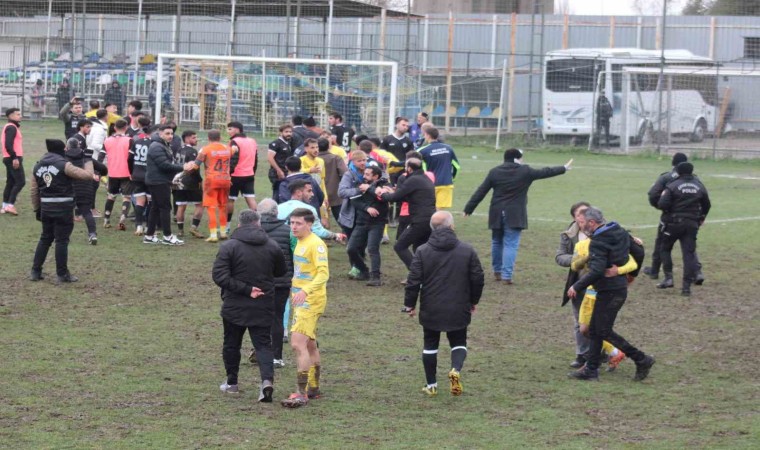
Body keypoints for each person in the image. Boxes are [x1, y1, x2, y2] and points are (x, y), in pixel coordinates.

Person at [567, 207, 655, 382]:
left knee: (602, 330)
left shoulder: (598, 241)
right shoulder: (620, 231)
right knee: (596, 330)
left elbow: (597, 270)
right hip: (615, 289)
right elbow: (639, 251)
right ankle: (591, 369)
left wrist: (576, 286)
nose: (582, 227)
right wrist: (630, 275)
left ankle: (641, 359)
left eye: (584, 223)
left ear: (592, 222)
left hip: (610, 291)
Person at [403, 211, 484, 396]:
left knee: (430, 344)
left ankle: (431, 385)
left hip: (431, 307)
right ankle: (455, 369)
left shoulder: (422, 251)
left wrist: (410, 304)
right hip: (459, 305)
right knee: (459, 341)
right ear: (452, 226)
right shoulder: (467, 250)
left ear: (431, 228)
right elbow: (478, 278)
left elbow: (413, 281)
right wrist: (473, 300)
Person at [464, 148, 572, 285]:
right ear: (516, 158)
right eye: (521, 158)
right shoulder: (525, 171)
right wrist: (563, 168)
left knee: (497, 242)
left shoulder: (494, 172)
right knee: (510, 244)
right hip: (515, 214)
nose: (522, 160)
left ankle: (497, 271)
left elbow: (481, 191)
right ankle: (506, 276)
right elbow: (545, 172)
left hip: (496, 212)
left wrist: (469, 208)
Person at [212, 209, 287, 401]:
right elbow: (281, 271)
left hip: (234, 305)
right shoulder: (272, 245)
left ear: (239, 224)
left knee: (231, 344)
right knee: (263, 345)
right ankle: (266, 382)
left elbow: (219, 276)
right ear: (258, 223)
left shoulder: (229, 247)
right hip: (263, 302)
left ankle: (232, 383)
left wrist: (245, 289)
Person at [281, 208, 330, 408]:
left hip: (310, 301)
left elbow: (323, 274)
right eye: (292, 223)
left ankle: (301, 393)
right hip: (301, 300)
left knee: (297, 343)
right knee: (309, 344)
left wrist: (305, 290)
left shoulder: (316, 244)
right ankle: (313, 388)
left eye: (298, 223)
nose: (293, 227)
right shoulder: (300, 242)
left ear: (309, 224)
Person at [30, 139, 94, 283]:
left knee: (45, 238)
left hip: (46, 208)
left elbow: (34, 190)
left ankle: (35, 271)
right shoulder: (64, 165)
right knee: (61, 241)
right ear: (61, 150)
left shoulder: (37, 166)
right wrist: (88, 159)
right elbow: (87, 175)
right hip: (63, 208)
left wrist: (37, 209)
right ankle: (62, 274)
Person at [644, 153, 704, 284]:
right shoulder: (694, 179)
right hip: (691, 217)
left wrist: (662, 207)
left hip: (670, 218)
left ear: (673, 163)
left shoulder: (666, 177)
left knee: (662, 243)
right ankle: (697, 272)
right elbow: (702, 196)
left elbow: (653, 194)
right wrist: (698, 214)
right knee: (689, 247)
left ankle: (655, 270)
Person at [374, 157, 436, 273]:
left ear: (410, 168)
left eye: (406, 167)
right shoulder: (424, 178)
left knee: (400, 246)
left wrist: (381, 193)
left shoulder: (413, 180)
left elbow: (394, 198)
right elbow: (407, 197)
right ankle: (427, 274)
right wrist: (394, 192)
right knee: (419, 248)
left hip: (420, 220)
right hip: (430, 219)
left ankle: (417, 274)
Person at [657, 162, 711, 296]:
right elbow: (707, 204)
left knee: (665, 248)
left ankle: (668, 278)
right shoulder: (699, 185)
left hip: (673, 223)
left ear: (678, 172)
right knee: (689, 254)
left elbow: (662, 204)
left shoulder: (672, 185)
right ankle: (686, 288)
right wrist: (701, 217)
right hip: (692, 224)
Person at [556, 201, 593, 368]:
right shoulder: (568, 235)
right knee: (580, 321)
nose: (584, 216)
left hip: (599, 283)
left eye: (587, 212)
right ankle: (582, 355)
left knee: (597, 321)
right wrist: (577, 260)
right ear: (574, 217)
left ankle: (603, 352)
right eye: (580, 213)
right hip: (578, 283)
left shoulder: (602, 229)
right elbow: (559, 257)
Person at [258, 199, 293, 368]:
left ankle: (261, 352)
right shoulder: (288, 231)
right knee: (277, 317)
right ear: (276, 212)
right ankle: (276, 357)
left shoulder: (253, 231)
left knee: (259, 318)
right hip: (282, 282)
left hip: (258, 282)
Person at [184, 130, 232, 243]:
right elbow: (234, 150)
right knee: (223, 206)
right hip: (225, 180)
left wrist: (186, 169)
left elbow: (196, 166)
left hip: (212, 181)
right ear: (220, 138)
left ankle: (213, 234)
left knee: (211, 207)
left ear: (209, 138)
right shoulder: (227, 148)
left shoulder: (205, 149)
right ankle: (223, 232)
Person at [346, 165, 390, 286]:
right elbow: (354, 200)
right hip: (361, 222)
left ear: (376, 176)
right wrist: (367, 208)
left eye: (367, 174)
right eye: (364, 173)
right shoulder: (360, 184)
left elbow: (383, 197)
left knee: (372, 249)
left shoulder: (385, 185)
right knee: (351, 249)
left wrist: (369, 188)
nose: (364, 176)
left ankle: (375, 277)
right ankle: (364, 270)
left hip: (377, 223)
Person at [143, 125, 185, 245]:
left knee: (156, 208)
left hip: (159, 180)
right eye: (167, 133)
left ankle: (149, 236)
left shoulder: (162, 145)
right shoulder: (157, 146)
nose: (170, 136)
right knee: (165, 208)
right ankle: (167, 236)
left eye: (172, 134)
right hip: (158, 181)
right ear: (160, 134)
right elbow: (164, 165)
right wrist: (183, 167)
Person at [65, 134, 107, 245]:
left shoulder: (64, 158)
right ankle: (92, 234)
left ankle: (63, 236)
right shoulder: (87, 157)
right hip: (86, 188)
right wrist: (98, 173)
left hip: (69, 189)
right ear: (79, 146)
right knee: (87, 212)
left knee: (66, 213)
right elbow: (103, 169)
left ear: (67, 147)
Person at [277, 179, 345, 243]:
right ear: (298, 193)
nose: (312, 194)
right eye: (309, 191)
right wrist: (335, 235)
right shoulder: (308, 209)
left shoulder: (278, 208)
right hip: (298, 246)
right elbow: (318, 232)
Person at [172, 130, 205, 239]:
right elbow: (193, 168)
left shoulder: (178, 149)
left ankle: (180, 231)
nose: (196, 140)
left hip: (178, 181)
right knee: (200, 204)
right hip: (191, 182)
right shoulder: (193, 151)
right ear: (186, 138)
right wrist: (200, 180)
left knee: (181, 206)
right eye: (194, 137)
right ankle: (193, 228)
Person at [102, 119, 133, 230]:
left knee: (111, 196)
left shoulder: (107, 140)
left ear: (115, 128)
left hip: (113, 172)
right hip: (126, 172)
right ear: (126, 127)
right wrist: (132, 172)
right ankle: (122, 219)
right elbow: (131, 158)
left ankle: (106, 219)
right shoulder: (130, 140)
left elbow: (101, 156)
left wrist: (98, 171)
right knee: (126, 197)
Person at [418, 127, 459, 210]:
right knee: (439, 211)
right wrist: (452, 178)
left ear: (428, 135)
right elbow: (457, 166)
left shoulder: (422, 151)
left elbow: (417, 167)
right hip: (446, 183)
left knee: (428, 210)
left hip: (429, 185)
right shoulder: (448, 148)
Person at [227, 121, 258, 229]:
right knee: (251, 199)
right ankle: (257, 224)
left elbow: (233, 159)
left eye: (230, 129)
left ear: (237, 130)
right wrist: (253, 171)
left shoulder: (234, 141)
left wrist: (229, 174)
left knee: (230, 200)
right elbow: (256, 159)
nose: (228, 131)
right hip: (249, 175)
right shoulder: (252, 141)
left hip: (235, 175)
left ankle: (227, 226)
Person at [127, 117, 153, 235]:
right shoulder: (153, 144)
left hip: (137, 175)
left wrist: (131, 172)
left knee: (139, 202)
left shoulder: (137, 142)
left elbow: (129, 159)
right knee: (150, 201)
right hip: (149, 176)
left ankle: (138, 226)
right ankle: (148, 226)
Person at [317, 138, 348, 223]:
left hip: (319, 192)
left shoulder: (314, 160)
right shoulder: (336, 158)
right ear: (329, 147)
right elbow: (345, 173)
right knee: (341, 219)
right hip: (335, 192)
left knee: (319, 219)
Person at [2, 108, 25, 215]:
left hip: (9, 157)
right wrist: (14, 157)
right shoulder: (11, 127)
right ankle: (10, 206)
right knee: (20, 182)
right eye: (18, 114)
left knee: (11, 182)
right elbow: (8, 144)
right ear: (10, 116)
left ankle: (4, 206)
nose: (20, 116)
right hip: (13, 158)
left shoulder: (10, 126)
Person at [267, 124, 295, 201]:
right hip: (277, 173)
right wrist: (279, 170)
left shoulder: (288, 143)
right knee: (278, 194)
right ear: (280, 132)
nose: (289, 134)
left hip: (285, 172)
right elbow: (270, 158)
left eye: (290, 132)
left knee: (285, 193)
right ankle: (274, 207)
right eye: (286, 132)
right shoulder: (276, 143)